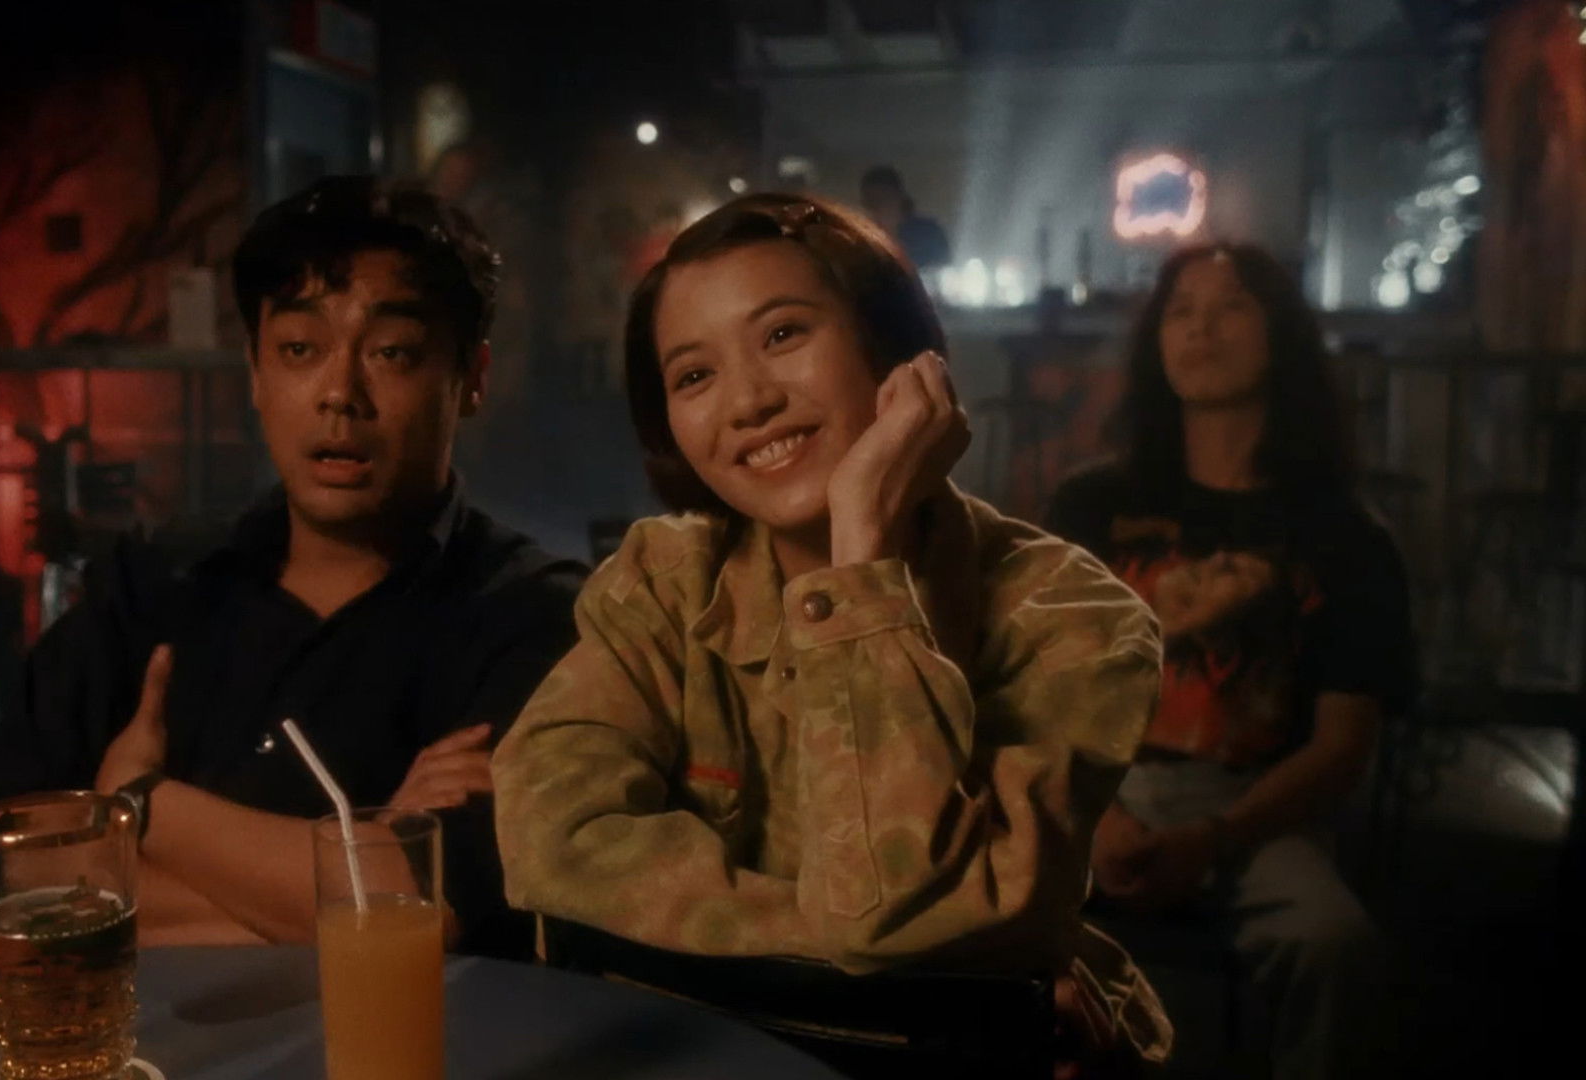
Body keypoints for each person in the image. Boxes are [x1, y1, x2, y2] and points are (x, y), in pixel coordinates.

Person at [491, 193, 1170, 1070]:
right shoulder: (663, 583)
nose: (749, 402)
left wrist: (862, 564)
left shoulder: (1075, 619)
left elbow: (894, 904)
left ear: (894, 350)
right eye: (694, 377)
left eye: (782, 335)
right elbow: (550, 845)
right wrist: (952, 972)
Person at [0, 176, 585, 957]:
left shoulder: (529, 613)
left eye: (392, 353)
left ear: (470, 378)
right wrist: (351, 879)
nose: (339, 394)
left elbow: (432, 909)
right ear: (255, 368)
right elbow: (10, 871)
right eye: (300, 350)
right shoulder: (155, 584)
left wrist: (141, 803)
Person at [1044, 243, 1415, 1080]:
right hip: (1094, 789)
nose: (1201, 329)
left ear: (1281, 336)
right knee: (963, 911)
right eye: (1181, 311)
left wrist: (1212, 839)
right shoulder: (1092, 503)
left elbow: (1343, 745)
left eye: (1231, 307)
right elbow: (1040, 688)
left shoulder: (1343, 535)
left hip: (1255, 810)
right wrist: (1097, 815)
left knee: (1334, 944)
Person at [859, 165, 950, 273]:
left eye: (883, 198)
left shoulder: (929, 232)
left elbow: (942, 271)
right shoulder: (862, 239)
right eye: (871, 201)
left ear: (898, 197)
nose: (878, 207)